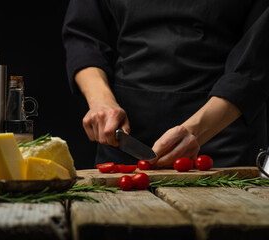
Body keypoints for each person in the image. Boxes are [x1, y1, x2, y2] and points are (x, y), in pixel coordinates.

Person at [62, 0, 269, 168]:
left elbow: (258, 56)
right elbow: (84, 36)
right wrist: (101, 101)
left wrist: (197, 130)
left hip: (223, 139)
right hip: (125, 140)